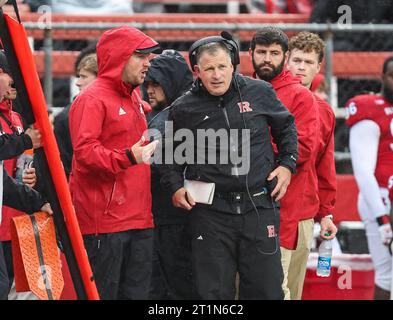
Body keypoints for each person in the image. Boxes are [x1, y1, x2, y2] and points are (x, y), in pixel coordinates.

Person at [159, 32, 298, 300]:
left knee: (266, 291)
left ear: (233, 64)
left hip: (259, 206)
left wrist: (287, 164)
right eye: (209, 69)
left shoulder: (260, 92)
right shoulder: (184, 107)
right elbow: (168, 153)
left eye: (222, 67)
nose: (216, 75)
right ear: (196, 71)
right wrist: (175, 187)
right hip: (210, 213)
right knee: (212, 292)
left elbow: (287, 128)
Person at [69, 26, 160, 300]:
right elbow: (85, 153)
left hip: (140, 218)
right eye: (141, 56)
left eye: (149, 57)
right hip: (104, 224)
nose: (148, 63)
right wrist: (128, 157)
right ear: (120, 56)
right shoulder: (91, 99)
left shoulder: (134, 96)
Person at [249, 27, 320, 300]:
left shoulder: (301, 96)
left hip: (289, 209)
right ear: (251, 54)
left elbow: (304, 149)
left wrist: (325, 210)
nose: (267, 59)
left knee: (280, 290)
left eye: (274, 53)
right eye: (262, 52)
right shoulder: (238, 89)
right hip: (243, 210)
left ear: (285, 56)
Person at [283, 31, 338, 299]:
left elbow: (324, 166)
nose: (301, 67)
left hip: (304, 215)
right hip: (269, 210)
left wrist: (325, 213)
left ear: (319, 67)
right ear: (286, 61)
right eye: (296, 60)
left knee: (294, 291)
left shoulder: (324, 111)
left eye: (308, 62)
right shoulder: (267, 101)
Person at [141, 50, 194, 299]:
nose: (150, 90)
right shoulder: (160, 115)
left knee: (172, 286)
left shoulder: (167, 118)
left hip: (172, 217)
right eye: (147, 84)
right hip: (173, 214)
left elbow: (152, 168)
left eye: (156, 84)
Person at [0, 64, 52, 300]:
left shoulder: (15, 113)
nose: (16, 82)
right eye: (10, 74)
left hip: (12, 222)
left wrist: (38, 201)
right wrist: (24, 141)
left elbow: (5, 182)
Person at [345, 56, 393, 300]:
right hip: (383, 198)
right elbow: (363, 171)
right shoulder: (370, 108)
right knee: (388, 274)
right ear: (382, 78)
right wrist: (382, 220)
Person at [54, 50, 97, 179]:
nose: (77, 82)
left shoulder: (119, 110)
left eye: (84, 77)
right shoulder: (65, 118)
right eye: (79, 76)